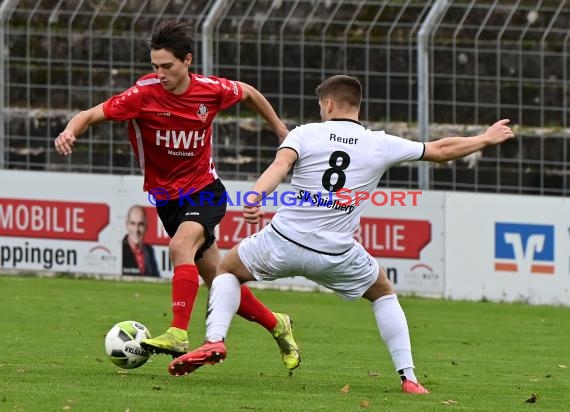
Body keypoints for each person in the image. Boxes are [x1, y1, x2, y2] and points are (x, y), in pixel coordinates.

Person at [167, 75, 516, 393]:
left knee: (226, 270)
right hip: (336, 254)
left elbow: (280, 165)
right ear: (357, 105)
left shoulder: (305, 133)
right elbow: (440, 151)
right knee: (383, 293)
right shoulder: (379, 143)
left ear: (329, 104)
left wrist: (257, 195)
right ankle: (409, 377)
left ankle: (215, 339)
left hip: (283, 241)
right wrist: (484, 138)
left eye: (322, 104)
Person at [54, 19, 300, 370]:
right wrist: (69, 131)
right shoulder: (141, 95)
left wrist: (280, 130)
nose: (160, 73)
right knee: (219, 280)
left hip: (205, 190)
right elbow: (89, 114)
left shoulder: (210, 90)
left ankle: (178, 332)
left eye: (167, 66)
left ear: (187, 61)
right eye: (154, 66)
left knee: (179, 247)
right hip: (168, 200)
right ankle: (278, 324)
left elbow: (247, 92)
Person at [122, 205, 160, 277]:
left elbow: (155, 277)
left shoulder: (149, 250)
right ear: (127, 225)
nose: (136, 230)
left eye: (140, 224)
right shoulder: (120, 249)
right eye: (132, 223)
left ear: (146, 226)